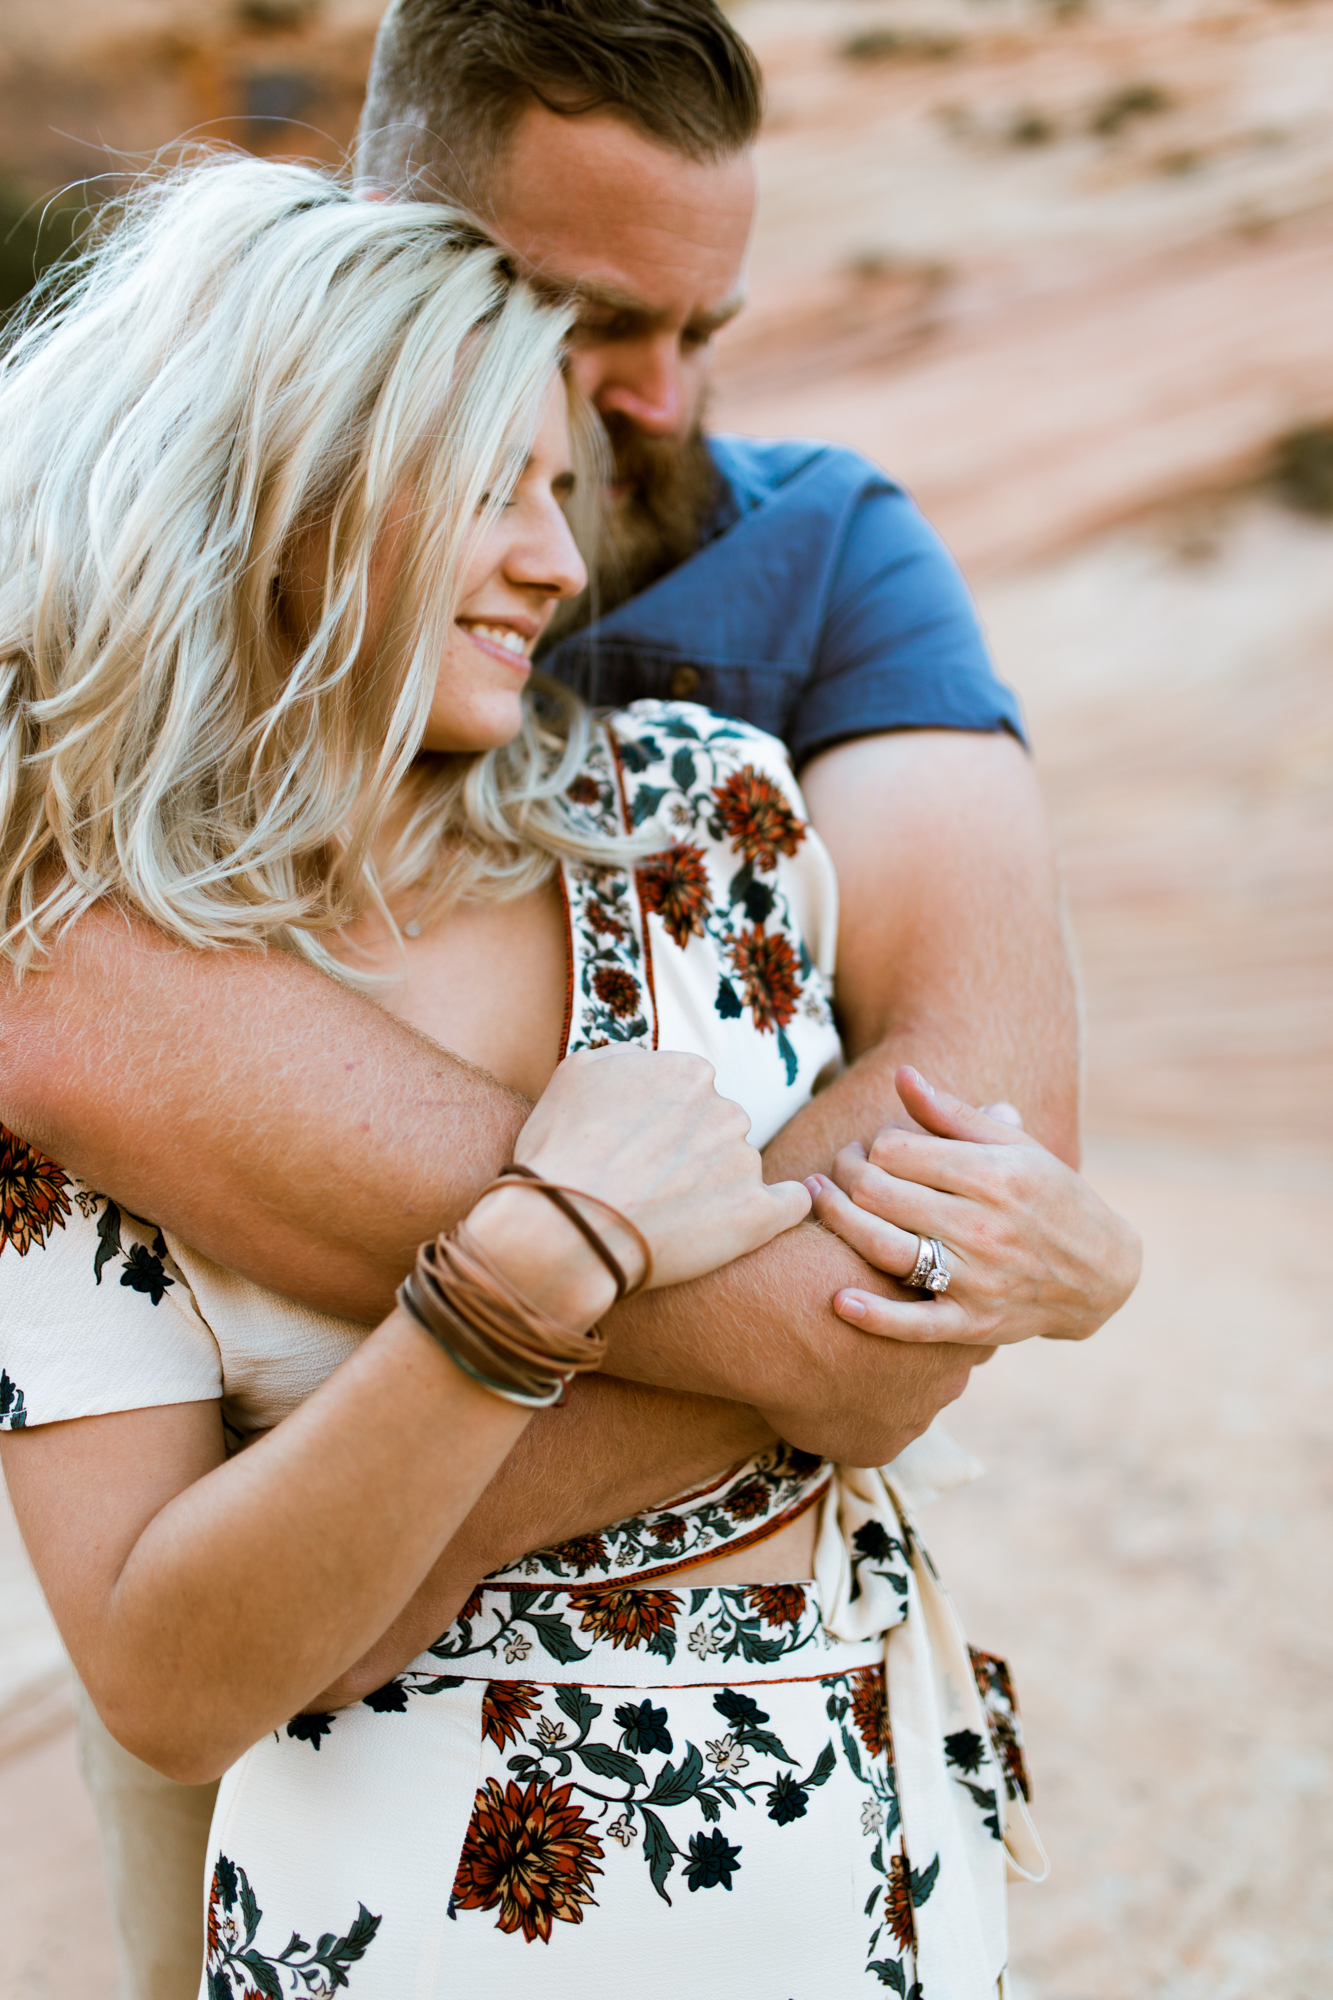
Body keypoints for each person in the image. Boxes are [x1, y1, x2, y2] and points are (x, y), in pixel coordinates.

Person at [0, 1, 1139, 1991]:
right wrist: (628, 1271)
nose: (653, 412)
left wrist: (375, 1553)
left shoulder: (799, 593)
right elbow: (69, 1016)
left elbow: (945, 1195)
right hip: (322, 1816)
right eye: (588, 317)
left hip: (718, 1748)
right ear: (380, 267)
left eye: (705, 329)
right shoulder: (76, 727)